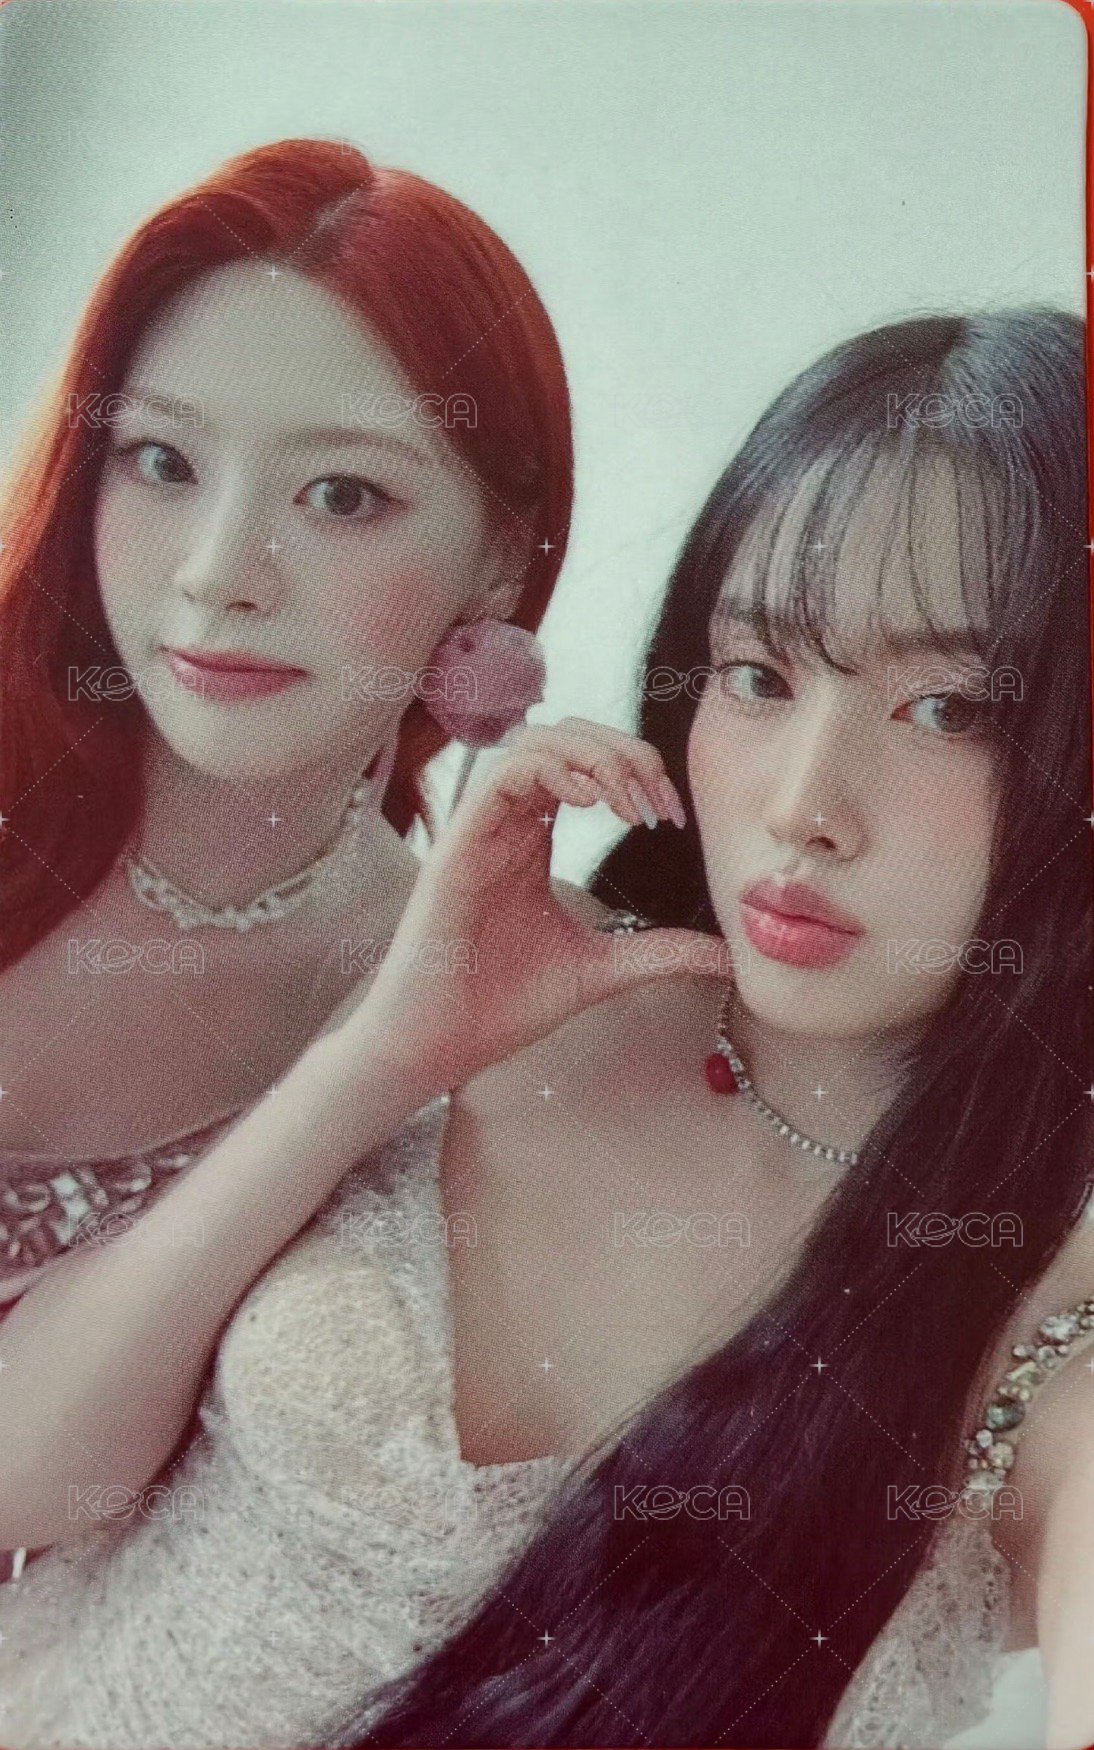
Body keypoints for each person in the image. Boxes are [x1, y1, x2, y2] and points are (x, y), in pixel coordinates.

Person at [2, 307, 1090, 1750]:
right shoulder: (506, 974)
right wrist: (380, 1056)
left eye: (949, 710)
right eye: (760, 677)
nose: (803, 805)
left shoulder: (1049, 1316)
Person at [0, 128, 578, 1724]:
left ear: (500, 553)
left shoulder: (436, 983)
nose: (217, 575)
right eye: (161, 462)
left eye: (340, 494)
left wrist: (371, 1058)